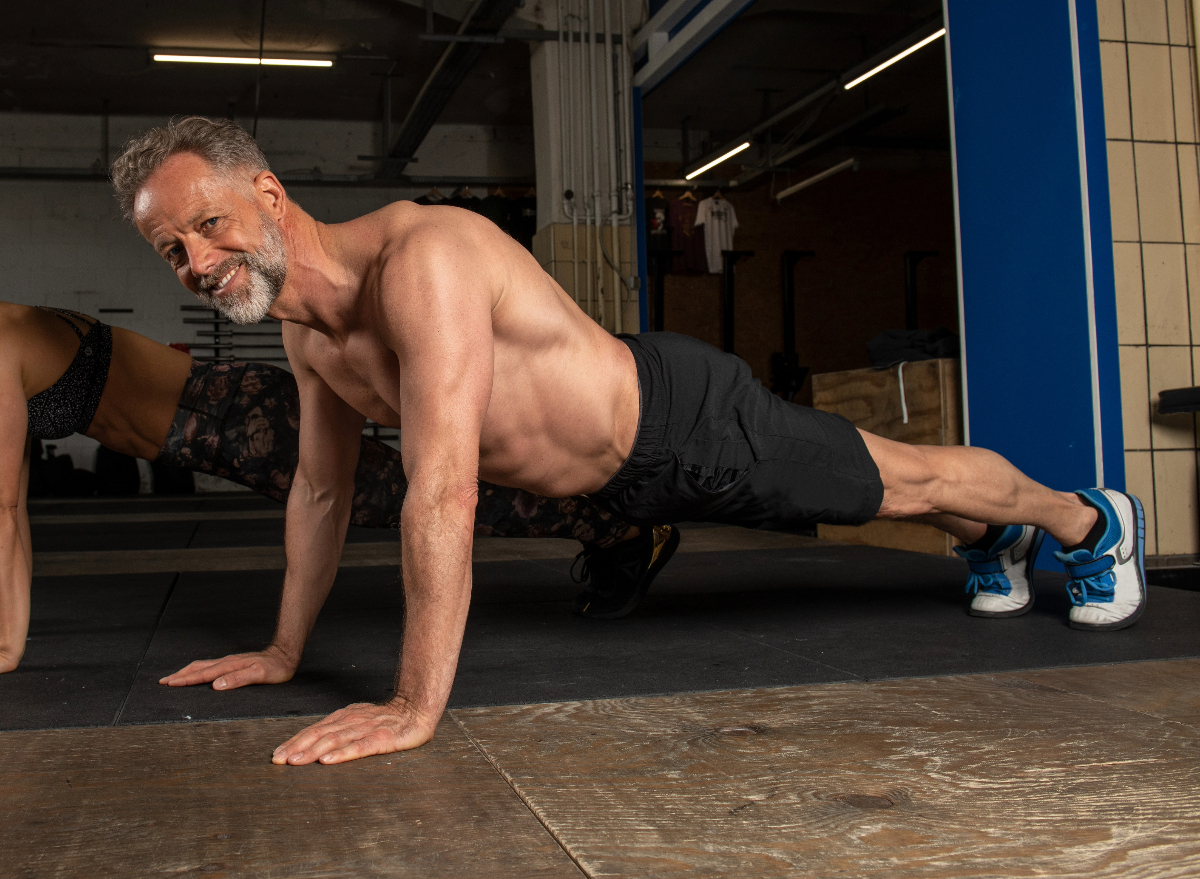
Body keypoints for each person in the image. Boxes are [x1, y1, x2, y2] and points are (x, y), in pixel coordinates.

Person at [112, 117, 1146, 768]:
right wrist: (286, 649)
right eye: (174, 249)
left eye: (209, 224)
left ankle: (1086, 520)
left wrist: (414, 705)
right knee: (884, 494)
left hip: (683, 425)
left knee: (904, 485)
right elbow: (322, 496)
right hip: (614, 489)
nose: (199, 260)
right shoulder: (310, 336)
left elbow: (442, 489)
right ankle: (996, 542)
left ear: (269, 194)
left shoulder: (421, 261)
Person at [0, 301, 677, 674]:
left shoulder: (4, 340)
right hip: (232, 422)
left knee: (432, 495)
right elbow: (14, 506)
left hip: (243, 422)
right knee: (424, 488)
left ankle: (620, 526)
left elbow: (2, 512)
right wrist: (11, 637)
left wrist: (7, 646)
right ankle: (613, 519)